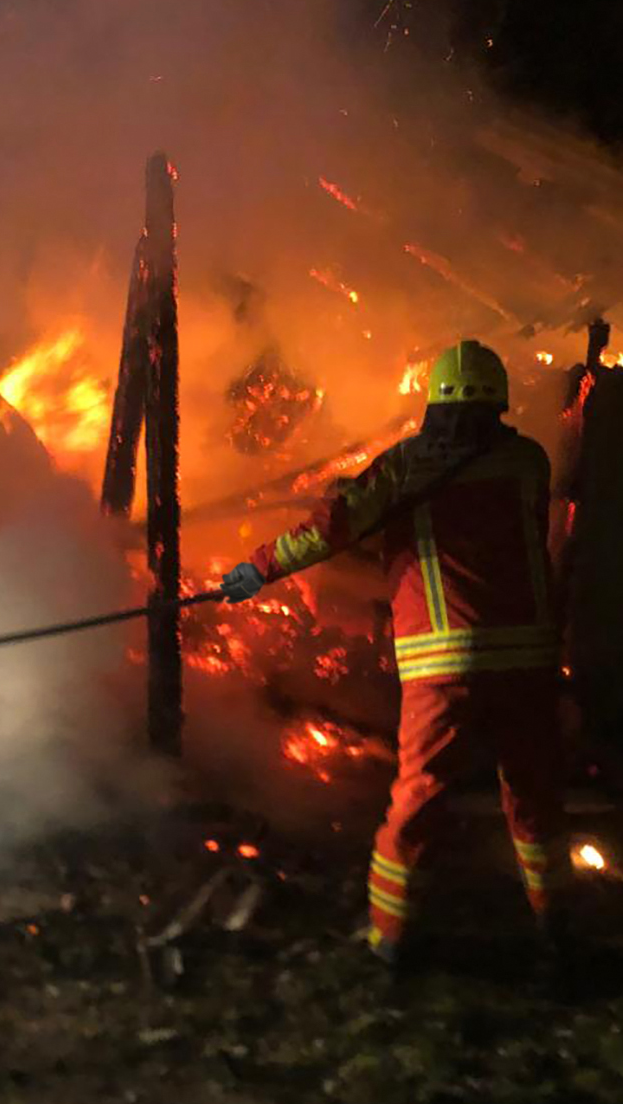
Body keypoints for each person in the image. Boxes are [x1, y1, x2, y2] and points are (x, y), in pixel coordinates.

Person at [223, 340, 568, 967]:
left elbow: (333, 528)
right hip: (528, 657)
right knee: (533, 791)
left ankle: (388, 937)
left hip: (445, 662)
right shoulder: (528, 460)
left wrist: (255, 572)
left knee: (420, 794)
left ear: (433, 401)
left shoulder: (406, 467)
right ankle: (557, 926)